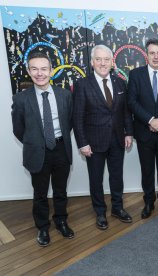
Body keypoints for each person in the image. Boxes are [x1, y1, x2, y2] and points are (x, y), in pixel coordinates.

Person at [11, 52, 74, 246]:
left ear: (51, 71)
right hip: (38, 152)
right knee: (39, 194)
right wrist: (36, 142)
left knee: (60, 190)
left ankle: (61, 221)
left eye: (44, 69)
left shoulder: (64, 95)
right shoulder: (21, 99)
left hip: (61, 149)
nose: (40, 73)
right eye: (35, 69)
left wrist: (55, 140)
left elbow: (68, 122)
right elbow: (18, 129)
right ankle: (43, 228)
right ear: (29, 71)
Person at [73, 45, 133, 230]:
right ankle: (100, 212)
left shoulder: (120, 82)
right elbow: (77, 117)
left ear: (112, 62)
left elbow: (125, 112)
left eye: (106, 59)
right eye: (98, 59)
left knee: (117, 176)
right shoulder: (83, 85)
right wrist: (82, 143)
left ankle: (117, 208)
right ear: (92, 62)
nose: (102, 63)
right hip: (94, 142)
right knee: (96, 179)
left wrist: (129, 132)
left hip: (117, 139)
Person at [128, 39, 158, 219]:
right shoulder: (135, 75)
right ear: (146, 55)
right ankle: (149, 202)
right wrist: (150, 120)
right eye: (152, 53)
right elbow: (132, 102)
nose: (156, 56)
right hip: (144, 132)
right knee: (147, 170)